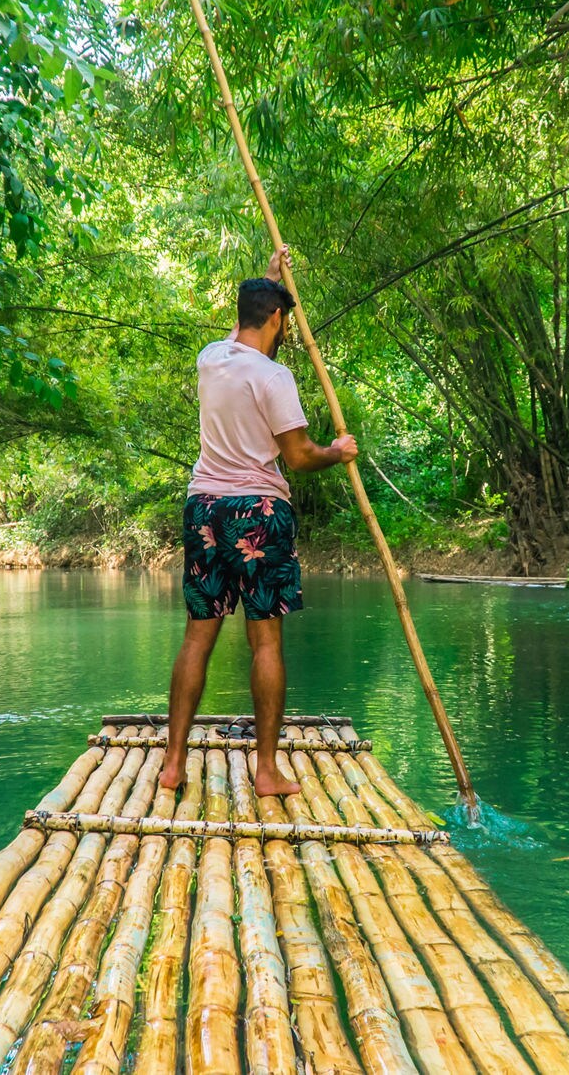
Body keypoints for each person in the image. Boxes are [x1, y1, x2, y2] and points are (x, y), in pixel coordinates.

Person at [159, 244, 358, 797]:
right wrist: (337, 451)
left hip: (203, 507)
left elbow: (238, 333)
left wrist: (270, 281)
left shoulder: (210, 357)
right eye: (284, 318)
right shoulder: (274, 377)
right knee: (265, 643)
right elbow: (297, 456)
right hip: (257, 511)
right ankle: (266, 771)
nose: (288, 328)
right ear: (277, 318)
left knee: (197, 639)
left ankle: (173, 763)